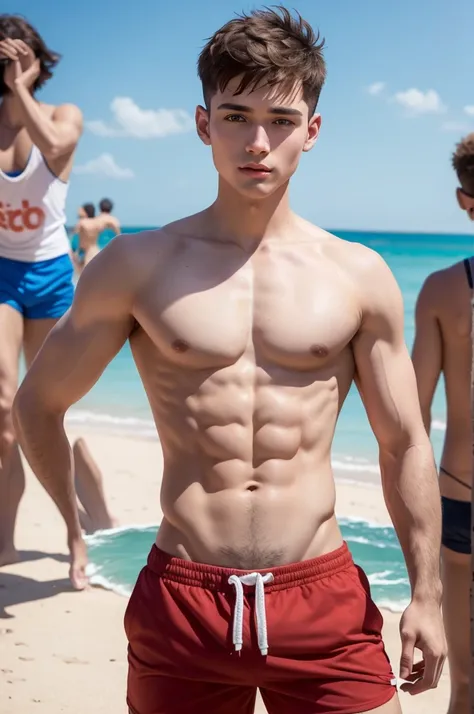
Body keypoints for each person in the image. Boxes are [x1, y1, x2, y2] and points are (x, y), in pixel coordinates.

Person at [13, 7, 446, 713]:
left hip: (322, 597)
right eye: (236, 114)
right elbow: (39, 402)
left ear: (313, 130)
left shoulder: (357, 275)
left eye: (280, 119)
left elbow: (402, 443)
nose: (257, 141)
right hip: (183, 597)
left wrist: (426, 592)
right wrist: (72, 524)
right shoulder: (137, 266)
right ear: (202, 122)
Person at [0, 15, 115, 564]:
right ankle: (4, 540)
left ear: (41, 62)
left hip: (50, 275)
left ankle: (75, 530)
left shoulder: (62, 115)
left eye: (22, 58)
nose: (11, 68)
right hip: (2, 274)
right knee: (3, 410)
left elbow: (54, 148)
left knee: (42, 411)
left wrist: (20, 85)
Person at [411, 132, 474, 714]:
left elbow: (413, 414)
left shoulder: (441, 291)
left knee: (468, 689)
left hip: (461, 494)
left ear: (463, 199)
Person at [71, 198, 121, 274]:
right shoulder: (114, 221)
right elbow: (119, 238)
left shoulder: (95, 220)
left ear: (100, 208)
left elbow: (78, 237)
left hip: (91, 251)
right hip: (106, 253)